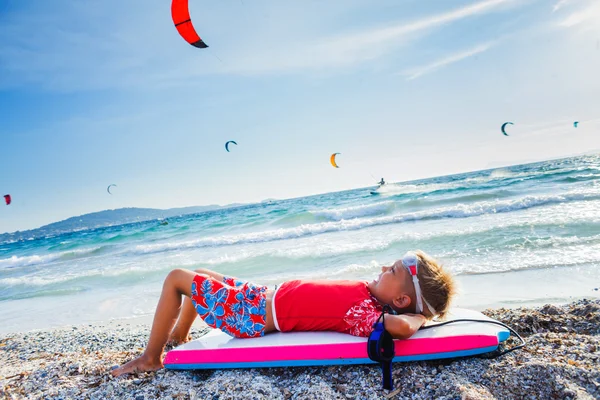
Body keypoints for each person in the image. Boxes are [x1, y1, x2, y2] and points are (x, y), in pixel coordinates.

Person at [111, 250, 456, 376]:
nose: (383, 267)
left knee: (176, 279)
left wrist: (420, 318)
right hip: (259, 295)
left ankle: (151, 357)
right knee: (198, 273)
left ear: (400, 301)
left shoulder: (363, 312)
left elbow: (402, 328)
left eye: (392, 271)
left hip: (251, 315)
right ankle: (177, 338)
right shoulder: (367, 296)